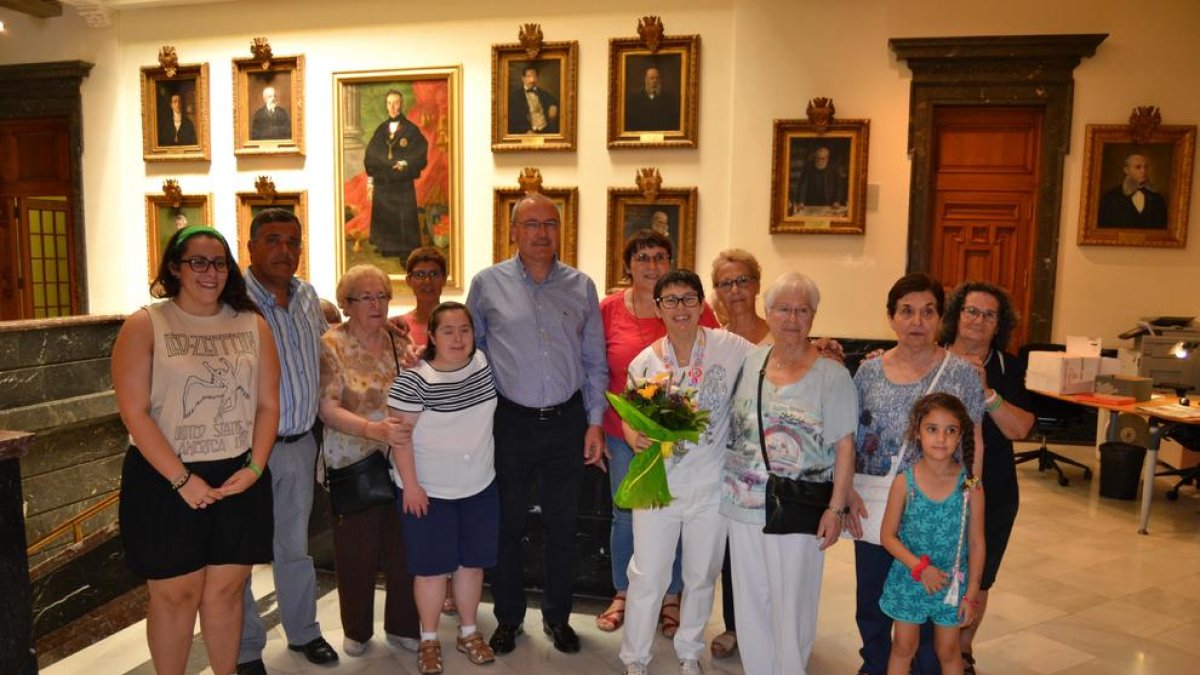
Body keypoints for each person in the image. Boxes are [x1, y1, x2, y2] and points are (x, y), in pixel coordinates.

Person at [114, 225, 279, 675]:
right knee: (176, 595)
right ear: (175, 268)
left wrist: (255, 467)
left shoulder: (253, 326)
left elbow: (268, 406)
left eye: (220, 263)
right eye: (199, 263)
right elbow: (134, 411)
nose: (211, 272)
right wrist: (182, 480)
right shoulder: (147, 324)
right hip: (164, 477)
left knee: (226, 592)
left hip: (236, 476)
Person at [466, 192, 607, 656]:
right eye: (531, 224)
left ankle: (558, 617)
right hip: (510, 423)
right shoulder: (486, 285)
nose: (541, 233)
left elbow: (594, 362)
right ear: (513, 231)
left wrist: (594, 423)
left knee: (563, 528)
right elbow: (472, 353)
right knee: (506, 525)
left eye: (550, 223)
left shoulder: (582, 286)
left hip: (567, 423)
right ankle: (507, 618)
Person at [720, 272, 857, 675]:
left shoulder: (831, 376)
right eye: (783, 309)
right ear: (768, 311)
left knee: (792, 601)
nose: (792, 318)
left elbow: (845, 447)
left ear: (813, 316)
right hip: (742, 502)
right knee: (751, 599)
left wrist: (836, 509)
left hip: (800, 507)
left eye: (802, 310)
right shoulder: (750, 361)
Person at [850, 272, 986, 675]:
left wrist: (972, 492)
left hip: (939, 506)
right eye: (906, 311)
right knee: (874, 598)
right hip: (877, 504)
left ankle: (926, 667)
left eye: (928, 312)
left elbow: (975, 438)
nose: (917, 321)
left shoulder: (961, 373)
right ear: (891, 317)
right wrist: (846, 491)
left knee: (932, 597)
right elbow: (850, 436)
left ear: (940, 319)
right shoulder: (868, 372)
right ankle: (876, 664)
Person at [618, 269, 751, 675]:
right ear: (658, 307)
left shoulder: (731, 348)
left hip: (712, 486)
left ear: (701, 304)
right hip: (660, 484)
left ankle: (689, 650)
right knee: (648, 575)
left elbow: (777, 353)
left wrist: (827, 350)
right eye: (671, 300)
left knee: (701, 574)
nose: (680, 308)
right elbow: (630, 416)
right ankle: (635, 657)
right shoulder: (645, 363)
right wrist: (632, 436)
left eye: (689, 299)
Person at [596, 230, 720, 638]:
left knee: (679, 511)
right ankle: (623, 591)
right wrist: (595, 424)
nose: (651, 265)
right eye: (643, 257)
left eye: (660, 257)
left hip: (684, 439)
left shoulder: (689, 305)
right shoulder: (609, 309)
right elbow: (594, 368)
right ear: (628, 264)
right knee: (628, 512)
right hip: (625, 431)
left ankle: (672, 595)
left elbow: (722, 352)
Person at [237, 208, 338, 674]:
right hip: (243, 451)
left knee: (294, 547)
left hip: (298, 444)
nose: (284, 249)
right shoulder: (232, 300)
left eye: (293, 240)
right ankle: (245, 649)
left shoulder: (307, 296)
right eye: (272, 239)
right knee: (237, 557)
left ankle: (303, 633)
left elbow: (327, 352)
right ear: (251, 246)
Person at [388, 302, 500, 674]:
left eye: (464, 330)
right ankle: (430, 639)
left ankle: (469, 633)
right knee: (432, 570)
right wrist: (412, 488)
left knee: (472, 565)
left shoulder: (483, 365)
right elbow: (399, 438)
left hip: (479, 486)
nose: (458, 338)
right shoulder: (414, 380)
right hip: (428, 491)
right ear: (431, 337)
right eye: (447, 331)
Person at [316, 264, 420, 658]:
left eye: (383, 296)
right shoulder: (331, 344)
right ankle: (357, 631)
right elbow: (327, 409)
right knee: (356, 551)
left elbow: (415, 388)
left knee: (403, 548)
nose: (377, 304)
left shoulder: (397, 339)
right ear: (346, 304)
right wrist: (372, 430)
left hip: (402, 461)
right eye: (367, 297)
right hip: (353, 462)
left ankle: (403, 625)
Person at [939, 282, 1033, 675]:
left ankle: (963, 650)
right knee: (931, 567)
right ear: (957, 316)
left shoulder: (1008, 366)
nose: (979, 320)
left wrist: (987, 393)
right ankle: (920, 646)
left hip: (993, 489)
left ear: (999, 325)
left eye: (989, 315)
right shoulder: (934, 358)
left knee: (979, 573)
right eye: (972, 311)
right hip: (934, 488)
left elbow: (1020, 429)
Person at [879, 393, 985, 675]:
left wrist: (972, 593)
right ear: (917, 432)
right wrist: (919, 568)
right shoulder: (905, 483)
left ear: (960, 435)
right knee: (903, 647)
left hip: (952, 585)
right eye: (932, 429)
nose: (941, 438)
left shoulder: (971, 486)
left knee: (949, 651)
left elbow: (977, 543)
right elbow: (887, 536)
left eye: (950, 430)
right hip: (910, 579)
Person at [365, 89, 429, 260]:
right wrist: (370, 182)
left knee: (403, 215)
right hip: (383, 182)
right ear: (386, 106)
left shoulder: (411, 129)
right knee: (384, 214)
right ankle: (386, 246)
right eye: (389, 103)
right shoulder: (380, 130)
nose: (393, 107)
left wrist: (405, 163)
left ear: (401, 104)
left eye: (396, 102)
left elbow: (420, 152)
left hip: (402, 182)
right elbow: (371, 155)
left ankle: (403, 248)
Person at [1097, 153, 1168, 229]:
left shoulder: (1157, 199)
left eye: (1145, 167)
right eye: (1138, 167)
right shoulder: (1111, 198)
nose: (1143, 171)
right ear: (1126, 170)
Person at [401, 246, 448, 347]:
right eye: (419, 274)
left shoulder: (458, 325)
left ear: (444, 279)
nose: (427, 281)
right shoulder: (399, 328)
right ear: (408, 281)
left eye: (434, 274)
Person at [791, 146, 847, 211]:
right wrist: (801, 201)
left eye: (822, 158)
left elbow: (839, 186)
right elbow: (803, 185)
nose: (819, 161)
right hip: (811, 203)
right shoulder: (808, 167)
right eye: (817, 158)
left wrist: (837, 200)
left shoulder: (834, 167)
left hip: (829, 203)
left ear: (827, 159)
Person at [507, 64, 559, 134]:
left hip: (545, 130)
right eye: (529, 76)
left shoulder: (543, 93)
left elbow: (555, 101)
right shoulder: (515, 96)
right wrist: (525, 131)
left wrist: (553, 106)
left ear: (537, 78)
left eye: (534, 76)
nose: (532, 80)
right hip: (527, 132)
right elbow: (512, 120)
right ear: (523, 78)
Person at [626, 66, 679, 132]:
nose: (655, 81)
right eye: (652, 78)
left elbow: (673, 125)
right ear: (645, 80)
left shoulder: (668, 101)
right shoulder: (635, 101)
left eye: (657, 78)